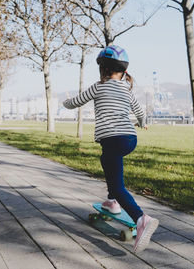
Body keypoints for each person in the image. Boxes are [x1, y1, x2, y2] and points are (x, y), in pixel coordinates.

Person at [63, 45, 159, 253]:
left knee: (116, 181)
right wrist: (142, 122)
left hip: (112, 138)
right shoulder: (126, 89)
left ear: (103, 70)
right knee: (110, 162)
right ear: (124, 72)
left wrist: (65, 102)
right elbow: (140, 111)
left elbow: (75, 102)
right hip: (129, 139)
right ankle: (111, 202)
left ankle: (141, 219)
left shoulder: (98, 87)